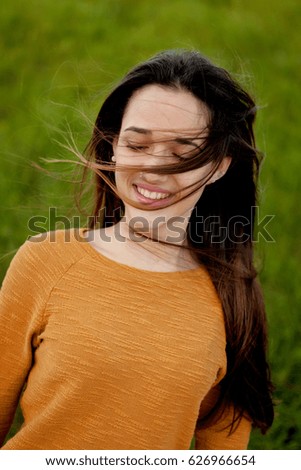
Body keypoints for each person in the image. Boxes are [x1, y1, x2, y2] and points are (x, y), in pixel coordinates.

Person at [0, 49, 274, 450]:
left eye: (183, 154)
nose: (154, 169)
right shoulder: (45, 261)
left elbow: (225, 448)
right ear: (113, 147)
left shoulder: (232, 295)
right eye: (137, 145)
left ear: (219, 166)